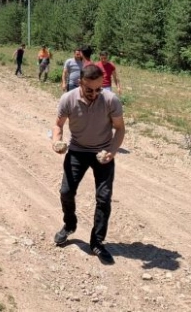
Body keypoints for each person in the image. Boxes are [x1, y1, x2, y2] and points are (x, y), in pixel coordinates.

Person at [51, 64, 126, 265]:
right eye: (89, 89)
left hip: (102, 153)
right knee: (66, 191)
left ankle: (97, 241)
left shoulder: (110, 100)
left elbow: (119, 129)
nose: (94, 93)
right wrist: (57, 141)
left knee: (104, 198)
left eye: (98, 89)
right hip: (77, 150)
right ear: (79, 83)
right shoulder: (68, 99)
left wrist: (112, 151)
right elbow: (58, 125)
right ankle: (69, 225)